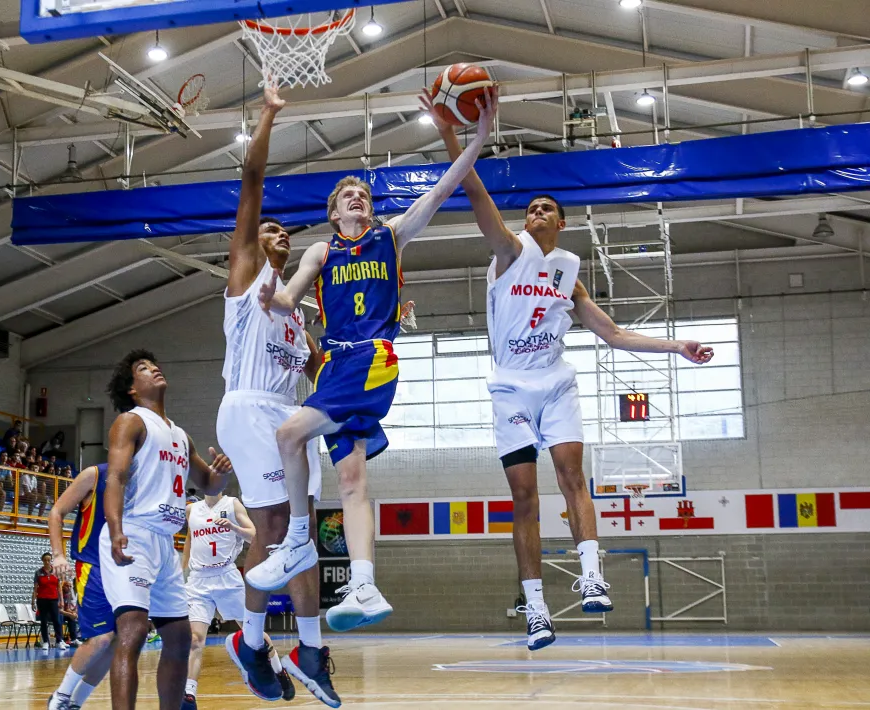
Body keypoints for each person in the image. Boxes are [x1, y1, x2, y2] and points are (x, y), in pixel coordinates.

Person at [425, 94, 714, 650]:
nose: (534, 214)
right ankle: (536, 609)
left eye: (544, 209)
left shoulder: (569, 274)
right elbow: (475, 191)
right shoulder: (509, 253)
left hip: (556, 381)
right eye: (528, 209)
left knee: (572, 474)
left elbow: (615, 334)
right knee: (525, 495)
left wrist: (678, 346)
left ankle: (591, 573)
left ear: (561, 220)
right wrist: (456, 135)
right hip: (510, 385)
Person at [247, 91, 496, 634]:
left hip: (373, 359)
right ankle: (363, 583)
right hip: (335, 365)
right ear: (334, 212)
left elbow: (443, 187)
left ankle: (294, 541)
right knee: (352, 481)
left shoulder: (392, 236)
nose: (358, 198)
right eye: (348, 195)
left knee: (290, 434)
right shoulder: (320, 251)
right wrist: (269, 289)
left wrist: (477, 137)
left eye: (363, 193)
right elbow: (288, 301)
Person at [210, 81, 335, 706]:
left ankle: (309, 647)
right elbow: (252, 179)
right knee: (274, 525)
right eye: (272, 229)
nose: (279, 232)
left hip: (291, 419)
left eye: (287, 231)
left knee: (302, 532)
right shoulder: (244, 274)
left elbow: (328, 365)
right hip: (249, 409)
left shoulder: (294, 310)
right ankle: (251, 642)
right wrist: (268, 113)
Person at [101, 349, 231, 710]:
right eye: (143, 368)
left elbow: (208, 483)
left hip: (164, 542)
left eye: (154, 364)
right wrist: (114, 529)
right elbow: (116, 476)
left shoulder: (179, 434)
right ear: (131, 388)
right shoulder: (131, 421)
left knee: (179, 638)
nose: (154, 368)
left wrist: (222, 470)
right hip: (134, 531)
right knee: (134, 630)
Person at [182, 492, 293, 710]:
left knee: (254, 634)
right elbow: (189, 540)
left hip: (227, 577)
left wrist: (234, 528)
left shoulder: (232, 504)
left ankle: (279, 672)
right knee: (195, 639)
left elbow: (255, 537)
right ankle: (189, 694)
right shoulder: (191, 510)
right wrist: (182, 571)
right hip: (198, 580)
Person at [47, 463, 114, 710]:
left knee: (119, 644)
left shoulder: (145, 477)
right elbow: (56, 512)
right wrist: (58, 555)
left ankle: (75, 703)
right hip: (93, 564)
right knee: (101, 638)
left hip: (126, 569)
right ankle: (60, 698)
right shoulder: (94, 476)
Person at [33, 552, 67, 650]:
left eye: (49, 560)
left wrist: (61, 601)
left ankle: (59, 641)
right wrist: (33, 601)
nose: (47, 562)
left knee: (57, 620)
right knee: (44, 621)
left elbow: (59, 587)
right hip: (42, 600)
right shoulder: (38, 573)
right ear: (42, 561)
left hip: (53, 599)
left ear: (51, 560)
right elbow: (35, 588)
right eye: (45, 560)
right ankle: (46, 642)